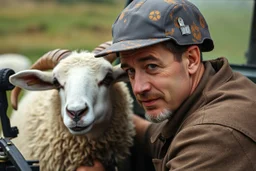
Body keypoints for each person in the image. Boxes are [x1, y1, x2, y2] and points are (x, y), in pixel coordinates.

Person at [78, 0, 256, 170]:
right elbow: (158, 138)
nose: (139, 88)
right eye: (130, 71)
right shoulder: (217, 86)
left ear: (191, 60)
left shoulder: (215, 135)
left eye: (152, 67)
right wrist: (112, 117)